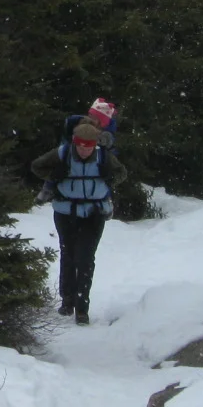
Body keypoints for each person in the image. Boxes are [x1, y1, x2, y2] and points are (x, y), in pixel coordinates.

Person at [31, 118, 127, 325]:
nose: (84, 150)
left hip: (94, 213)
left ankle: (82, 308)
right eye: (81, 146)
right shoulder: (63, 153)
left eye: (89, 146)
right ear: (75, 142)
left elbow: (122, 173)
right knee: (69, 254)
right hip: (66, 213)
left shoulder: (104, 157)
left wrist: (109, 177)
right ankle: (67, 301)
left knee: (85, 258)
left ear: (95, 144)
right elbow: (36, 166)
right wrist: (55, 175)